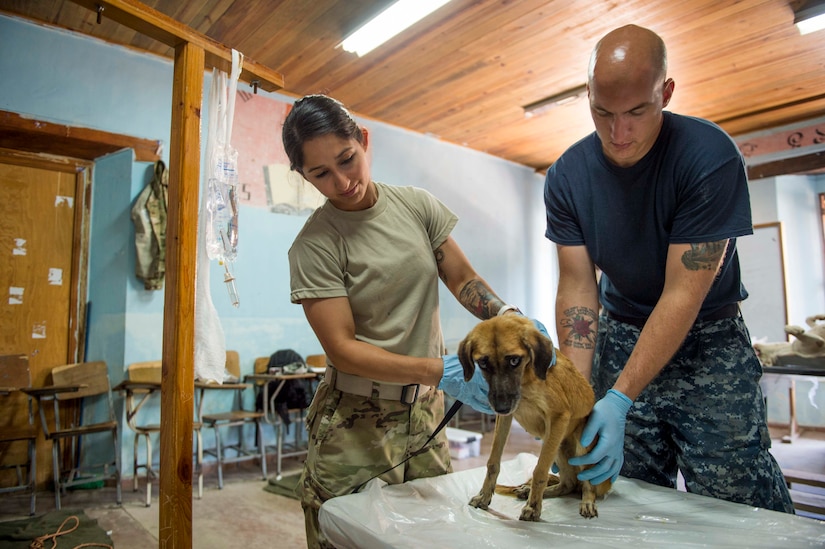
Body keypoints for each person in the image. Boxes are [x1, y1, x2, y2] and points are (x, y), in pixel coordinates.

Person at [544, 24, 794, 513]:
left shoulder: (708, 158)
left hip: (707, 341)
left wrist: (618, 401)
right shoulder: (567, 177)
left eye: (637, 112)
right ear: (588, 97)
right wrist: (575, 397)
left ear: (667, 92)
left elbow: (683, 293)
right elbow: (578, 287)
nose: (619, 133)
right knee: (625, 492)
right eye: (602, 113)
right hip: (621, 337)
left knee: (734, 497)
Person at [282, 94, 525, 548]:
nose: (341, 181)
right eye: (320, 174)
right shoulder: (315, 244)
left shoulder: (416, 207)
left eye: (347, 159)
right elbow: (342, 348)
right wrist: (439, 370)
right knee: (348, 536)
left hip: (425, 415)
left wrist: (510, 316)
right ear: (303, 175)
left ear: (364, 141)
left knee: (433, 535)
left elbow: (464, 279)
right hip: (355, 424)